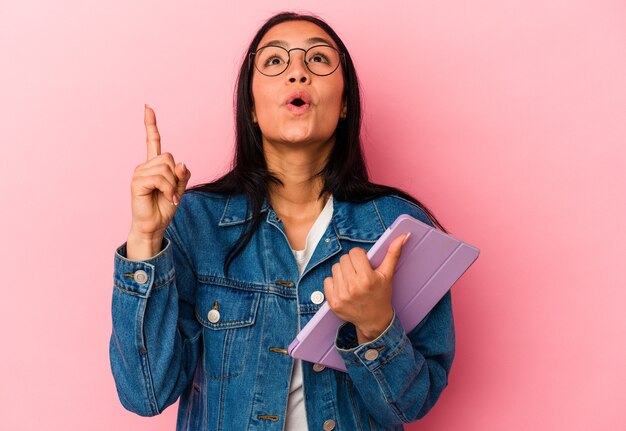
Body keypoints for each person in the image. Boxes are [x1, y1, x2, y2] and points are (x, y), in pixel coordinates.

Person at [110, 11, 455, 431]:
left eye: (318, 60)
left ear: (345, 102)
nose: (297, 73)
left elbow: (412, 404)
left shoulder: (398, 228)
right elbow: (145, 393)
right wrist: (145, 238)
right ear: (251, 107)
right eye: (275, 62)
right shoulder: (194, 223)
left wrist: (374, 324)